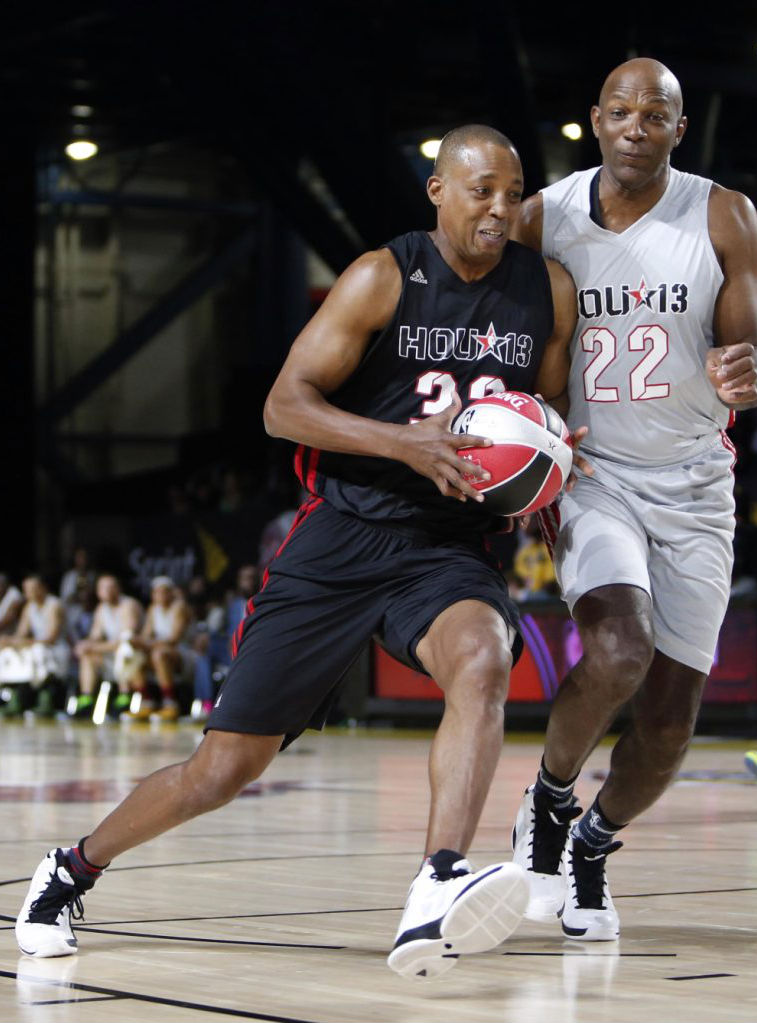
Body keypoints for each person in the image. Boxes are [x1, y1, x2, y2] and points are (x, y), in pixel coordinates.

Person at [16, 124, 586, 977]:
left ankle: (437, 881)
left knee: (483, 659)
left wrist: (548, 466)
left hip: (446, 544)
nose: (500, 209)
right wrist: (406, 443)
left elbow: (543, 411)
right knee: (221, 769)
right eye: (481, 191)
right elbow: (284, 405)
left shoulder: (548, 290)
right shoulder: (381, 276)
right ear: (438, 191)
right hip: (342, 537)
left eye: (512, 193)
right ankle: (70, 869)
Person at [511, 58, 757, 941]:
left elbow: (754, 354)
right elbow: (499, 323)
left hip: (697, 483)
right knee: (620, 648)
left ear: (676, 128)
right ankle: (547, 800)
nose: (634, 124)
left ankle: (594, 842)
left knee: (667, 727)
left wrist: (750, 371)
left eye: (652, 113)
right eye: (619, 110)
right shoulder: (543, 216)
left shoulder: (722, 213)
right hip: (595, 474)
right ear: (595, 120)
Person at [71, 575, 143, 719]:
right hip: (111, 651)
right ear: (98, 592)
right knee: (87, 656)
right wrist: (86, 645)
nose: (108, 591)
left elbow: (126, 639)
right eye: (104, 588)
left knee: (123, 651)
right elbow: (95, 635)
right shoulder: (101, 608)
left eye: (111, 587)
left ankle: (125, 696)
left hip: (135, 653)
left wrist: (93, 647)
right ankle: (86, 699)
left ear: (118, 588)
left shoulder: (128, 605)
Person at [124, 576, 194, 722]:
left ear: (171, 593)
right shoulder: (152, 609)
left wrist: (146, 644)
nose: (161, 595)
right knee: (134, 656)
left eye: (164, 592)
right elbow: (146, 635)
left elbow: (174, 639)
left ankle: (170, 703)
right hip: (159, 650)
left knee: (159, 655)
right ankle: (147, 702)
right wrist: (135, 641)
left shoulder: (179, 607)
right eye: (157, 592)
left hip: (183, 653)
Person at [0, 575, 70, 717]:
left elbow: (51, 638)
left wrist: (24, 643)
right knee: (7, 650)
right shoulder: (29, 607)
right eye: (27, 589)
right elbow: (21, 634)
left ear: (43, 588)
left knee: (38, 651)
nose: (29, 592)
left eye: (33, 588)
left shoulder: (54, 604)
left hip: (57, 648)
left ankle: (45, 699)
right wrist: (9, 641)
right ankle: (14, 697)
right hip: (36, 645)